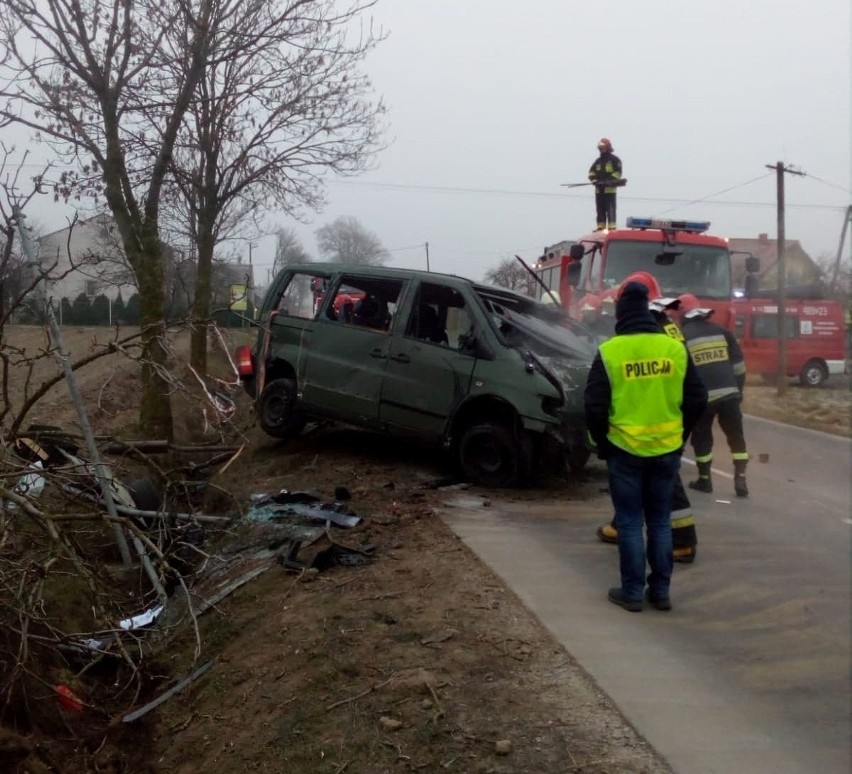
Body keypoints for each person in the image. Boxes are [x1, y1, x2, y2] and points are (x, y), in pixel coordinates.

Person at [584, 281, 707, 611]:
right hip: (666, 451)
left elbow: (594, 405)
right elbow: (698, 397)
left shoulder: (611, 351)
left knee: (628, 523)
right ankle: (661, 592)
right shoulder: (673, 349)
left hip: (624, 450)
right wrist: (680, 436)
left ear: (621, 314)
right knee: (659, 522)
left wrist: (601, 443)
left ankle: (633, 592)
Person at [678, 294, 750, 497]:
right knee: (736, 436)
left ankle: (705, 480)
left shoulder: (682, 337)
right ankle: (741, 478)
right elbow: (739, 367)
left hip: (703, 398)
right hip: (729, 394)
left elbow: (682, 373)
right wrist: (738, 392)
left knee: (702, 438)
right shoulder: (723, 332)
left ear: (683, 314)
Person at [588, 137, 623, 230]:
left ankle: (612, 227)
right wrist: (595, 181)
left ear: (608, 147)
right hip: (599, 190)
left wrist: (608, 181)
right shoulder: (597, 161)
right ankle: (601, 227)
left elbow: (618, 173)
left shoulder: (614, 159)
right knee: (600, 210)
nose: (601, 149)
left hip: (610, 190)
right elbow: (591, 172)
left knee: (610, 209)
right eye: (600, 148)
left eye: (602, 147)